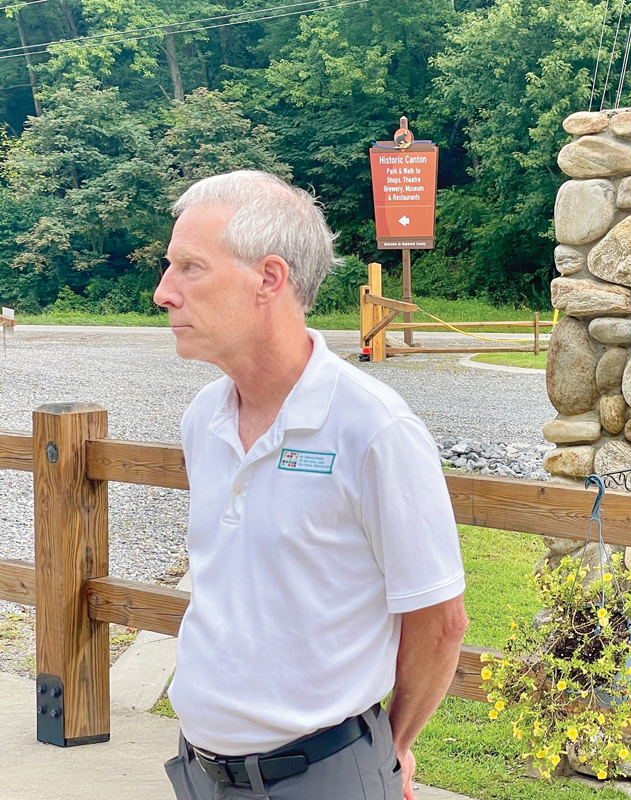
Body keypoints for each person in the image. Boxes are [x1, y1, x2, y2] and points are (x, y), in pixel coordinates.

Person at [153, 170, 468, 800]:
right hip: (198, 771)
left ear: (270, 279)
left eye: (190, 267)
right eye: (170, 266)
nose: (164, 292)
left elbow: (439, 622)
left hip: (322, 779)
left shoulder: (374, 429)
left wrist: (391, 750)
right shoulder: (203, 419)